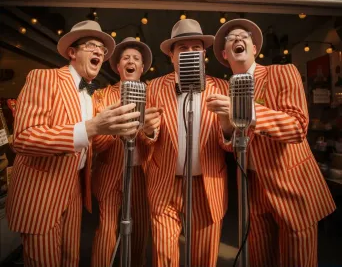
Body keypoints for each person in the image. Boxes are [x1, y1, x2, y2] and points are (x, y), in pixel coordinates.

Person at [6, 20, 141, 267]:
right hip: (42, 193)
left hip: (75, 189)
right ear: (72, 52)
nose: (100, 52)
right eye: (92, 45)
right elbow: (24, 138)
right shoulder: (44, 78)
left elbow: (95, 143)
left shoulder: (90, 95)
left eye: (102, 49)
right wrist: (90, 127)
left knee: (71, 259)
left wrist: (114, 129)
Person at [208, 18, 336, 267]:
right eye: (231, 38)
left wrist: (247, 110)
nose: (238, 38)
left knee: (297, 262)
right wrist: (225, 122)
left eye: (243, 35)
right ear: (225, 54)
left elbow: (297, 127)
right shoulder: (227, 91)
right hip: (254, 193)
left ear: (254, 48)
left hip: (293, 189)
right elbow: (229, 146)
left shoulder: (283, 72)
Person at [141, 19, 230, 267]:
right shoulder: (154, 87)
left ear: (204, 54)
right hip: (164, 184)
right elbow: (143, 138)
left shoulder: (222, 88)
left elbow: (233, 143)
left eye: (195, 48)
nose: (190, 53)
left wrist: (227, 125)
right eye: (182, 49)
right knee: (164, 257)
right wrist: (147, 131)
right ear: (172, 56)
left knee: (204, 256)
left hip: (207, 184)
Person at [91, 37, 159, 267]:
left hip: (142, 174)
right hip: (110, 172)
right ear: (118, 67)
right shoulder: (101, 96)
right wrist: (115, 129)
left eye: (136, 59)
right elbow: (96, 142)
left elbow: (160, 139)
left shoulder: (154, 95)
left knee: (140, 230)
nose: (131, 62)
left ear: (142, 68)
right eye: (126, 58)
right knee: (107, 230)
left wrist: (149, 132)